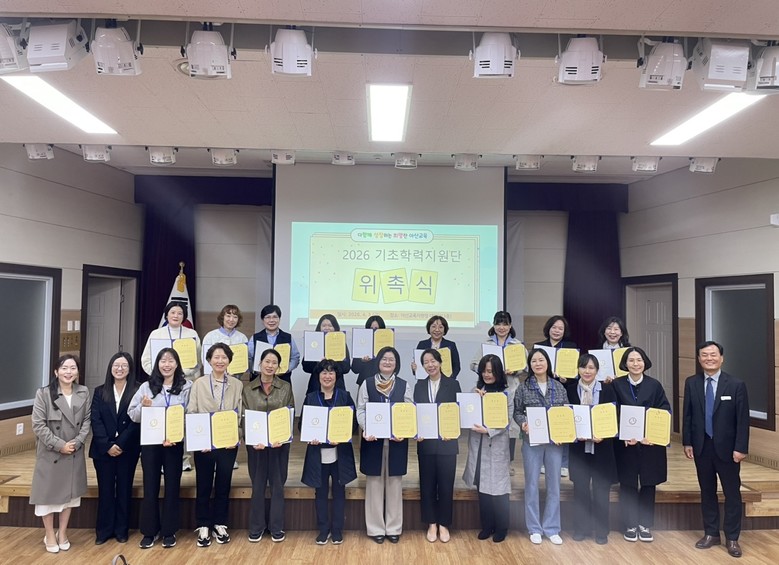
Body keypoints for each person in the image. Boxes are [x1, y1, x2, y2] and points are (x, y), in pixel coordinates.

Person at [683, 341, 750, 558]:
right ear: (699, 359)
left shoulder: (736, 384)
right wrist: (687, 442)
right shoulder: (691, 383)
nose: (709, 358)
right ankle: (711, 533)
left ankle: (732, 537)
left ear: (721, 358)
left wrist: (741, 448)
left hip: (728, 450)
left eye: (713, 355)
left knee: (732, 493)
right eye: (704, 355)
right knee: (707, 491)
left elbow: (742, 420)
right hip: (702, 446)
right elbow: (688, 415)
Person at [128, 348, 192, 549]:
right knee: (150, 486)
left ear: (177, 364)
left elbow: (190, 414)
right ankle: (149, 531)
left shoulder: (186, 386)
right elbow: (132, 414)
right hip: (151, 444)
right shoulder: (146, 387)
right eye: (163, 361)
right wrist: (143, 407)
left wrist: (175, 433)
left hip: (174, 443)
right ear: (157, 364)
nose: (167, 364)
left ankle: (169, 531)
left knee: (172, 487)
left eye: (171, 360)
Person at [30, 355, 91, 554]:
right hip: (51, 453)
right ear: (56, 372)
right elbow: (38, 425)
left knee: (69, 497)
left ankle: (62, 532)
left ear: (77, 372)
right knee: (47, 497)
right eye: (64, 368)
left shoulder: (83, 391)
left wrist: (78, 442)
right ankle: (49, 534)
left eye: (73, 368)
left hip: (74, 451)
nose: (69, 372)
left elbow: (87, 421)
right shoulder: (44, 394)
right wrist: (60, 445)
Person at [612, 346, 670, 543]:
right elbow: (612, 411)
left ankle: (645, 524)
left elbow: (664, 410)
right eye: (631, 360)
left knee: (648, 483)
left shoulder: (655, 385)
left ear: (645, 363)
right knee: (627, 484)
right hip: (626, 443)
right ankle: (629, 524)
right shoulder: (617, 385)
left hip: (649, 443)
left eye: (639, 360)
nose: (635, 364)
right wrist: (622, 434)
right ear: (625, 364)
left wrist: (651, 434)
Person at [188, 344, 243, 547]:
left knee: (223, 484)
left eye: (224, 357)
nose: (220, 361)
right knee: (203, 484)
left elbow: (239, 413)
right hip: (204, 444)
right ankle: (203, 524)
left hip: (227, 443)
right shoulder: (199, 383)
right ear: (209, 360)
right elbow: (191, 412)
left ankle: (220, 523)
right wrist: (199, 440)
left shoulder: (237, 384)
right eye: (216, 357)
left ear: (229, 360)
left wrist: (235, 436)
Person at [356, 346, 413, 544]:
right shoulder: (367, 383)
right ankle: (375, 528)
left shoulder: (404, 385)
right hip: (373, 441)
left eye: (391, 359)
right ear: (378, 362)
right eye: (384, 359)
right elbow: (361, 409)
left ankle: (394, 527)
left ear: (397, 364)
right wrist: (366, 428)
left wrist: (404, 431)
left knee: (395, 483)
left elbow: (409, 410)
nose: (388, 362)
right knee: (374, 483)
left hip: (397, 441)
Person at [513, 348, 568, 546]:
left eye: (541, 360)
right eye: (534, 361)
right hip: (532, 442)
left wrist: (563, 433)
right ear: (530, 365)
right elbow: (517, 412)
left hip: (554, 443)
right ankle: (534, 528)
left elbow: (565, 413)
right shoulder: (523, 387)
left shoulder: (558, 387)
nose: (538, 363)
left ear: (547, 363)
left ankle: (552, 528)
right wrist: (523, 423)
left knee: (554, 485)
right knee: (531, 484)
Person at [562, 354, 618, 545]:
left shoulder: (608, 390)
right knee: (581, 490)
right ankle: (581, 528)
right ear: (578, 369)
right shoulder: (570, 390)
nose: (587, 371)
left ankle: (601, 531)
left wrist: (604, 435)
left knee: (602, 491)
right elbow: (565, 417)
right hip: (579, 449)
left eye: (591, 368)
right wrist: (574, 433)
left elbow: (614, 417)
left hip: (602, 449)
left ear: (597, 371)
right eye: (583, 367)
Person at [301, 359, 357, 545]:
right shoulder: (310, 398)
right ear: (318, 376)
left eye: (331, 372)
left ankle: (337, 530)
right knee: (321, 493)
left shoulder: (345, 397)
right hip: (318, 454)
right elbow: (302, 426)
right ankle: (323, 529)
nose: (327, 376)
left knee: (339, 493)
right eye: (324, 372)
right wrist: (310, 437)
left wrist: (342, 436)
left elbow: (353, 424)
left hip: (340, 453)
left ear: (336, 376)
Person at [243, 348, 295, 543]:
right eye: (267, 361)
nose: (270, 365)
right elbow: (244, 417)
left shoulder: (285, 388)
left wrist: (281, 437)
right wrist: (251, 438)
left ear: (278, 367)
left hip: (278, 445)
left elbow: (289, 413)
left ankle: (276, 527)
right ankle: (256, 527)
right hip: (256, 446)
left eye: (274, 363)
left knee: (277, 486)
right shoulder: (248, 389)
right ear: (260, 363)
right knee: (257, 486)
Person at [89, 352, 140, 546]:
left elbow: (136, 421)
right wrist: (108, 445)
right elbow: (95, 420)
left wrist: (121, 443)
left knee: (125, 490)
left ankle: (121, 530)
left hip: (128, 449)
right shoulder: (99, 391)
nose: (120, 369)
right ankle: (103, 531)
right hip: (103, 451)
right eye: (116, 365)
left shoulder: (137, 390)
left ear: (130, 369)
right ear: (110, 368)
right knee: (106, 490)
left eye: (124, 365)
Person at [463, 354, 512, 543]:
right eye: (484, 371)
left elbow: (507, 420)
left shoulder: (506, 393)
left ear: (498, 372)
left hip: (496, 444)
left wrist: (489, 430)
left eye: (490, 371)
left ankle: (501, 527)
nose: (487, 374)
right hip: (478, 445)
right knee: (482, 489)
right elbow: (466, 414)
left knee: (498, 490)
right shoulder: (475, 392)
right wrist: (475, 401)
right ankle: (487, 525)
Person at [414, 348, 462, 543]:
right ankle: (431, 523)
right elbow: (415, 412)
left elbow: (457, 412)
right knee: (427, 485)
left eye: (433, 361)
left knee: (445, 485)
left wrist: (452, 430)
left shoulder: (453, 384)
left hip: (447, 443)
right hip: (425, 443)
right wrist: (415, 431)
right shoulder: (419, 385)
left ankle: (443, 524)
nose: (430, 365)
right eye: (426, 362)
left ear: (441, 362)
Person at [470, 311, 523, 474]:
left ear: (510, 326)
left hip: (510, 389)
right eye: (498, 324)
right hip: (489, 391)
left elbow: (526, 367)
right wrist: (487, 369)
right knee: (490, 422)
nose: (501, 327)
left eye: (505, 324)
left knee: (509, 426)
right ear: (493, 325)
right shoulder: (486, 344)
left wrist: (515, 370)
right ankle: (485, 460)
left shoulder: (517, 345)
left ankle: (508, 462)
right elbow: (473, 364)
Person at [535, 315, 578, 478]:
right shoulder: (540, 347)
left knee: (562, 426)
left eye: (561, 328)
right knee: (544, 426)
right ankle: (544, 462)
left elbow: (576, 373)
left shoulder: (571, 347)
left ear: (564, 331)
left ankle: (564, 463)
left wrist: (567, 379)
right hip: (542, 390)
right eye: (554, 327)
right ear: (548, 328)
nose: (557, 331)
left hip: (563, 390)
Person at [141, 301, 202, 380]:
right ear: (167, 315)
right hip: (160, 381)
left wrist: (183, 373)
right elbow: (146, 360)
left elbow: (198, 360)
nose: (176, 316)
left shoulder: (192, 334)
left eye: (180, 313)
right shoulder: (156, 334)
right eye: (173, 312)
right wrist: (159, 374)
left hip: (185, 380)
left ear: (184, 316)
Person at [248, 305, 300, 383]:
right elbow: (249, 358)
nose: (271, 320)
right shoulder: (255, 337)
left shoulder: (288, 337)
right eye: (268, 317)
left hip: (282, 381)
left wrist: (286, 369)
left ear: (279, 319)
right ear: (262, 320)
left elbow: (295, 357)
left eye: (275, 317)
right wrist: (255, 370)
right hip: (259, 380)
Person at [302, 314, 351, 394]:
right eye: (324, 325)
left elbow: (346, 368)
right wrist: (318, 363)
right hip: (316, 386)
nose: (327, 328)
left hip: (337, 386)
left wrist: (332, 363)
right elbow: (305, 367)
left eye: (330, 325)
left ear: (335, 328)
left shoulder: (341, 343)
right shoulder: (313, 343)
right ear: (319, 328)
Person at [411, 315, 461, 379]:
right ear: (429, 328)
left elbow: (456, 367)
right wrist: (414, 368)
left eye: (440, 327)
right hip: (426, 381)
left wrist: (450, 380)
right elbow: (418, 366)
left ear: (445, 330)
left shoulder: (451, 345)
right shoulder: (422, 344)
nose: (437, 330)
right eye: (433, 326)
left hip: (446, 382)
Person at [200, 304, 249, 371]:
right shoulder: (210, 336)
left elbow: (244, 361)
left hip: (235, 375)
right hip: (214, 375)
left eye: (235, 317)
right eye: (228, 316)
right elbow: (205, 360)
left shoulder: (242, 338)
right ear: (222, 317)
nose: (231, 320)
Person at [351, 315, 385, 387]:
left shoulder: (386, 344)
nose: (373, 331)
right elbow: (354, 369)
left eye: (376, 329)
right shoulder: (361, 343)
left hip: (383, 383)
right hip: (364, 383)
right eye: (371, 328)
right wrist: (362, 361)